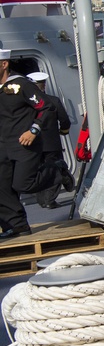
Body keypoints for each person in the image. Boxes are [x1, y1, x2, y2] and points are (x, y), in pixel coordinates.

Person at [0, 49, 58, 238]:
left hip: (24, 143)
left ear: (4, 64)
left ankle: (57, 172)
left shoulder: (22, 85)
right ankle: (17, 225)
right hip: (2, 145)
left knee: (22, 184)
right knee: (2, 187)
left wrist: (34, 130)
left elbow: (46, 108)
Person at [26, 72, 73, 208]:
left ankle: (42, 200)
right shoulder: (53, 100)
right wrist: (63, 131)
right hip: (51, 143)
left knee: (38, 171)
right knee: (54, 169)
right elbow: (64, 120)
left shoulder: (24, 105)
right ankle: (50, 199)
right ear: (44, 85)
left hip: (32, 144)